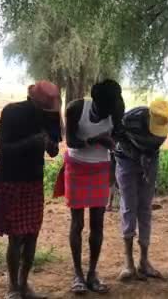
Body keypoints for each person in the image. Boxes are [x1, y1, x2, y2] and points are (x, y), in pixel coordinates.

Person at [0, 81, 62, 299]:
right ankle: (12, 287)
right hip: (10, 178)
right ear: (31, 100)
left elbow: (54, 151)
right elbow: (3, 149)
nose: (46, 112)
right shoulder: (12, 112)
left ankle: (24, 284)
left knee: (32, 235)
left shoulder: (51, 115)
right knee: (16, 237)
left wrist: (49, 144)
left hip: (33, 180)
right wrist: (32, 142)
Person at [54, 79, 124, 294]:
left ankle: (92, 273)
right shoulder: (76, 108)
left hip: (100, 168)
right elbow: (72, 141)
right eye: (102, 110)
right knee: (77, 223)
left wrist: (113, 144)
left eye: (108, 111)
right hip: (76, 167)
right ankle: (78, 274)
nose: (105, 115)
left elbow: (118, 134)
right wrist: (98, 140)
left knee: (98, 223)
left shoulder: (116, 108)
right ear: (94, 100)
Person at [114, 99, 168, 281]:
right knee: (129, 206)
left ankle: (144, 261)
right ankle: (128, 262)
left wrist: (146, 162)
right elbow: (116, 137)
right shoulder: (130, 119)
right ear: (149, 116)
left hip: (149, 161)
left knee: (145, 208)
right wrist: (136, 156)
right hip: (126, 160)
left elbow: (154, 148)